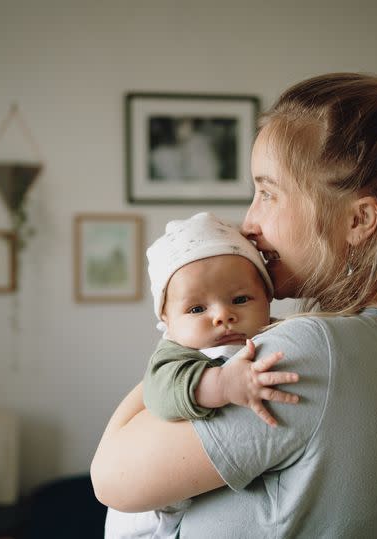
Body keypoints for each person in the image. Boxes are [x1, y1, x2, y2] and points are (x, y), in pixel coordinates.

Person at [91, 54, 377, 538]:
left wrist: (180, 338)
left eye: (267, 193)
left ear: (359, 220)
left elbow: (110, 476)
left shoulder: (314, 352)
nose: (249, 222)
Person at [104, 211, 299, 539]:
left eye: (240, 299)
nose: (223, 315)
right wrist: (222, 384)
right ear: (167, 320)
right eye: (196, 309)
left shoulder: (277, 336)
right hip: (151, 518)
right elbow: (161, 395)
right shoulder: (175, 354)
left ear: (267, 298)